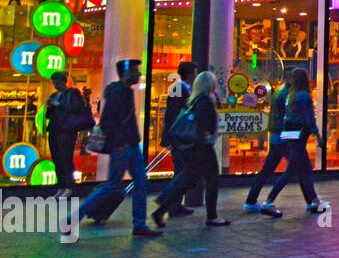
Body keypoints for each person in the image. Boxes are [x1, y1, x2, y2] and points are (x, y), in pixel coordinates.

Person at [71, 60, 162, 237]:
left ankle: (139, 224)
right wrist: (119, 142)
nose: (138, 74)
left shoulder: (123, 91)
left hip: (129, 144)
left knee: (138, 181)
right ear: (126, 73)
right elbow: (108, 120)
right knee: (115, 185)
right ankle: (73, 217)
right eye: (135, 71)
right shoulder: (119, 92)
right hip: (124, 145)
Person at [153, 72, 229, 227]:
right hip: (202, 147)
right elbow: (204, 124)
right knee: (211, 180)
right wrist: (206, 135)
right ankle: (212, 216)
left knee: (188, 179)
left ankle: (162, 208)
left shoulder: (192, 100)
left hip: (190, 147)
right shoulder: (205, 101)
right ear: (209, 84)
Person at [261, 69, 328, 216]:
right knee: (291, 170)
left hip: (290, 134)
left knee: (305, 168)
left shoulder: (291, 95)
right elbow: (309, 118)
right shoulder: (304, 96)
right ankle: (269, 201)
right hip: (300, 136)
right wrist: (318, 135)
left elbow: (288, 117)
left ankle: (314, 200)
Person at [244, 70, 293, 213]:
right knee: (299, 167)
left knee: (268, 170)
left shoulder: (280, 91)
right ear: (290, 77)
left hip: (277, 136)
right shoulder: (286, 94)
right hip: (282, 136)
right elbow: (286, 116)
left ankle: (251, 200)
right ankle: (268, 200)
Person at [159, 61, 200, 215]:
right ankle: (170, 203)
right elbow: (173, 114)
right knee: (181, 171)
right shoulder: (179, 89)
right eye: (195, 73)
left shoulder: (183, 89)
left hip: (179, 138)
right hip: (179, 138)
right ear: (190, 74)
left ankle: (174, 203)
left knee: (182, 171)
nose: (196, 76)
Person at [44, 72, 90, 198]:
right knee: (57, 159)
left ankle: (69, 186)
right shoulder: (54, 95)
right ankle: (62, 186)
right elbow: (48, 115)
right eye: (54, 82)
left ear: (64, 82)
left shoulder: (72, 93)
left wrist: (58, 105)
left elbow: (77, 107)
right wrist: (50, 107)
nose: (55, 85)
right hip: (54, 128)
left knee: (65, 158)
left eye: (57, 82)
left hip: (66, 129)